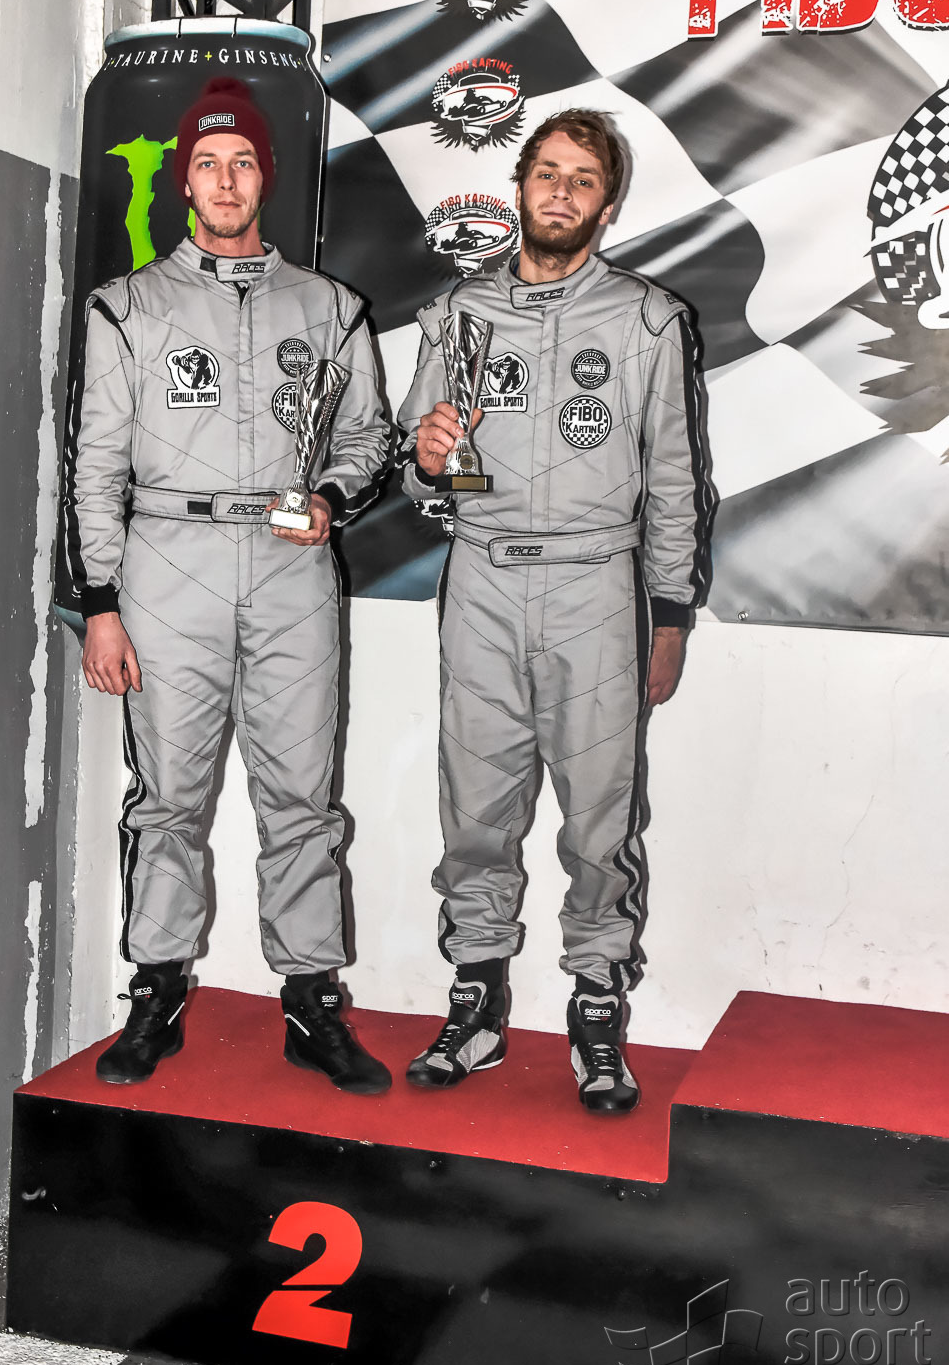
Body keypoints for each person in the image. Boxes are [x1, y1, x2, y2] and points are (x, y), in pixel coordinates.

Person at [64, 77, 391, 1094]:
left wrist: (330, 496)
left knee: (303, 798)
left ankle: (311, 1001)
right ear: (184, 180)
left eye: (242, 161)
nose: (225, 180)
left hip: (292, 567)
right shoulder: (128, 307)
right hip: (169, 564)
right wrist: (102, 605)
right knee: (168, 796)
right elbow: (94, 465)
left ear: (265, 176)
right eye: (206, 163)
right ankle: (157, 992)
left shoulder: (329, 308)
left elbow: (367, 437)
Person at [397, 109, 714, 1113]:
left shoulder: (646, 320)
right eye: (547, 172)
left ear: (606, 205)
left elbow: (676, 480)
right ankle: (477, 997)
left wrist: (670, 615)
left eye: (583, 179)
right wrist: (427, 459)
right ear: (519, 186)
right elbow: (418, 468)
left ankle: (596, 1006)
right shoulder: (458, 313)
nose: (561, 191)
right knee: (474, 807)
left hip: (595, 584)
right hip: (483, 579)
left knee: (600, 815)